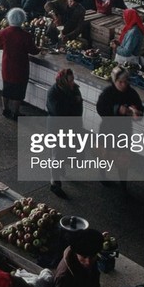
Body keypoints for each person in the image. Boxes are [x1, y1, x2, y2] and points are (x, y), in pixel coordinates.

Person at [95, 66, 144, 188]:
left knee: (123, 157)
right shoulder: (107, 93)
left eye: (125, 81)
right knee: (104, 155)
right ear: (114, 81)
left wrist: (138, 112)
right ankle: (102, 176)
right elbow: (100, 109)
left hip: (124, 131)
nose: (123, 84)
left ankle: (123, 182)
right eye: (120, 82)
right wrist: (117, 109)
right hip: (108, 129)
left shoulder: (131, 93)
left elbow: (140, 108)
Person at [45, 68, 83, 199]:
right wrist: (73, 102)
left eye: (73, 80)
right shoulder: (53, 92)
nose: (73, 82)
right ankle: (54, 183)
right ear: (63, 81)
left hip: (71, 126)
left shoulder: (74, 89)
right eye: (70, 80)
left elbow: (79, 110)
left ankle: (61, 170)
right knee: (56, 154)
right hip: (56, 128)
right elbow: (58, 112)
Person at [0, 8, 39, 120]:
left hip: (7, 65)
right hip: (21, 67)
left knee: (7, 88)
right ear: (22, 20)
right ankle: (16, 112)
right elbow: (33, 51)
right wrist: (40, 50)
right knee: (18, 91)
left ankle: (5, 109)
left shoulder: (3, 32)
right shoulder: (26, 35)